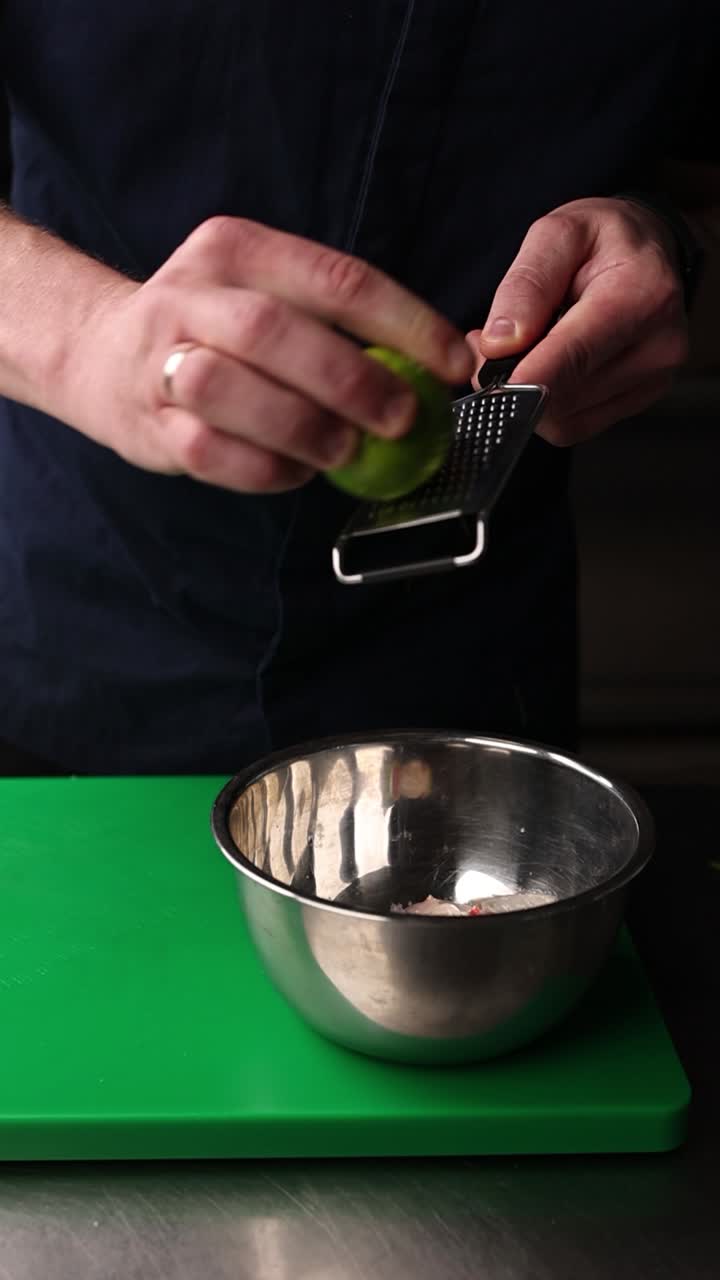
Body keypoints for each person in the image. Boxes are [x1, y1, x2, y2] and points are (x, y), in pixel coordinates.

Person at [0, 1, 717, 776]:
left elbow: (690, 168)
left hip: (471, 659)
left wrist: (659, 240)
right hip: (75, 641)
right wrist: (85, 335)